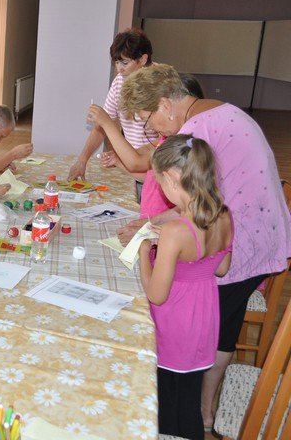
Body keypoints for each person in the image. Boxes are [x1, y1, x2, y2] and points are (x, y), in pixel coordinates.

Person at [119, 63, 291, 430]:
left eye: (149, 120)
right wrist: (158, 222)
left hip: (245, 239)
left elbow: (194, 207)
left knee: (206, 328)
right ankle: (203, 408)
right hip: (252, 232)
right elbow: (203, 202)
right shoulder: (219, 109)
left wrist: (154, 235)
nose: (154, 130)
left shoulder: (195, 132)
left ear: (166, 104)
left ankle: (197, 410)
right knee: (222, 325)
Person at [139, 135, 233, 439]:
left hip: (174, 326)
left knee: (166, 405)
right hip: (205, 320)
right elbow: (221, 268)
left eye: (160, 183)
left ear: (171, 178)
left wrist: (144, 253)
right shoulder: (223, 215)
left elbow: (156, 294)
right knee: (188, 402)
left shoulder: (175, 231)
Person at [89, 73, 204, 220]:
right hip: (152, 218)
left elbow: (136, 162)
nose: (149, 126)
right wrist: (118, 160)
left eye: (146, 118)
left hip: (163, 222)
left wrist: (107, 124)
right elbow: (144, 166)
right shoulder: (165, 138)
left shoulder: (180, 146)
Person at [68, 28, 158, 202]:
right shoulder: (119, 82)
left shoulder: (160, 84)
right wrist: (82, 160)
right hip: (131, 166)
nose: (119, 69)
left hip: (153, 169)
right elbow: (102, 125)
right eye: (116, 63)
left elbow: (164, 141)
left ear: (143, 59)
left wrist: (128, 158)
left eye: (124, 63)